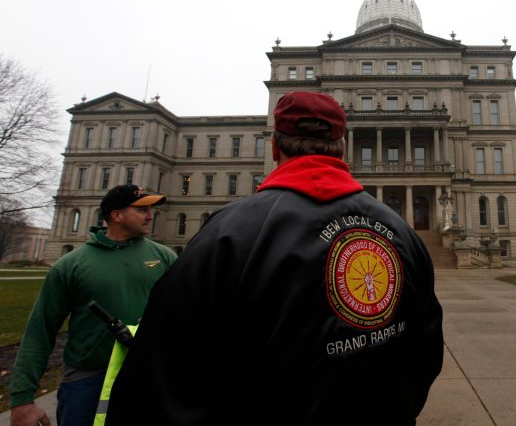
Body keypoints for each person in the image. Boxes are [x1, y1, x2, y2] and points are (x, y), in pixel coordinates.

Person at [106, 91, 444, 426]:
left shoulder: (226, 234)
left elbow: (162, 376)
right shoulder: (401, 233)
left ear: (274, 146)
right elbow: (425, 354)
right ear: (342, 145)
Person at [10, 185, 175, 426]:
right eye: (142, 209)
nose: (150, 216)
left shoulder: (165, 257)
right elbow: (40, 331)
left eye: (150, 209)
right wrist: (22, 400)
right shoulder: (72, 265)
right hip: (87, 380)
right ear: (116, 215)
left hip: (149, 375)